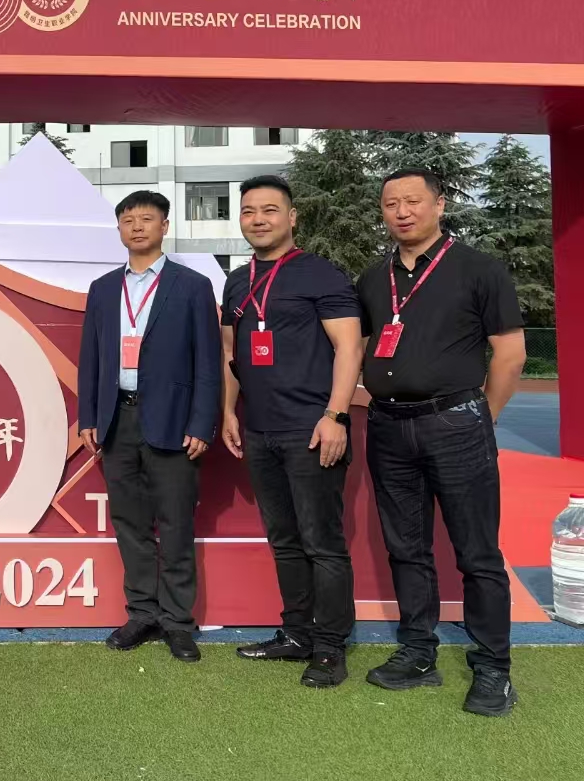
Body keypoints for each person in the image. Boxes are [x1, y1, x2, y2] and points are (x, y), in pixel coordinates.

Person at [357, 168, 526, 717]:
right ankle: (417, 652)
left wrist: (480, 417)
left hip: (456, 424)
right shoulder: (372, 278)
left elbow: (510, 355)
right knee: (406, 546)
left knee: (477, 553)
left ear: (440, 204)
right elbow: (360, 347)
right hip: (387, 427)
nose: (402, 211)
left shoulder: (479, 269)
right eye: (391, 204)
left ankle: (494, 667)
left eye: (413, 200)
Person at [220, 176, 364, 688]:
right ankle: (297, 634)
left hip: (311, 430)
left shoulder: (321, 274)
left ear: (292, 217)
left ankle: (329, 648)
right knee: (284, 540)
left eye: (270, 210)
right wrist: (229, 411)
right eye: (249, 211)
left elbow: (350, 347)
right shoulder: (236, 281)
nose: (258, 219)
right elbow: (231, 353)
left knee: (322, 543)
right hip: (260, 431)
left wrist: (336, 416)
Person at [77, 190, 221, 662]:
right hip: (117, 420)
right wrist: (88, 416)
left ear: (164, 226)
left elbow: (208, 361)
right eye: (128, 220)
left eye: (146, 219)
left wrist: (202, 422)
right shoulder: (103, 288)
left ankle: (177, 621)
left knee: (176, 523)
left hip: (174, 422)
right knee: (130, 523)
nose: (137, 227)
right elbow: (90, 357)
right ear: (119, 229)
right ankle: (142, 613)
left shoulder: (192, 286)